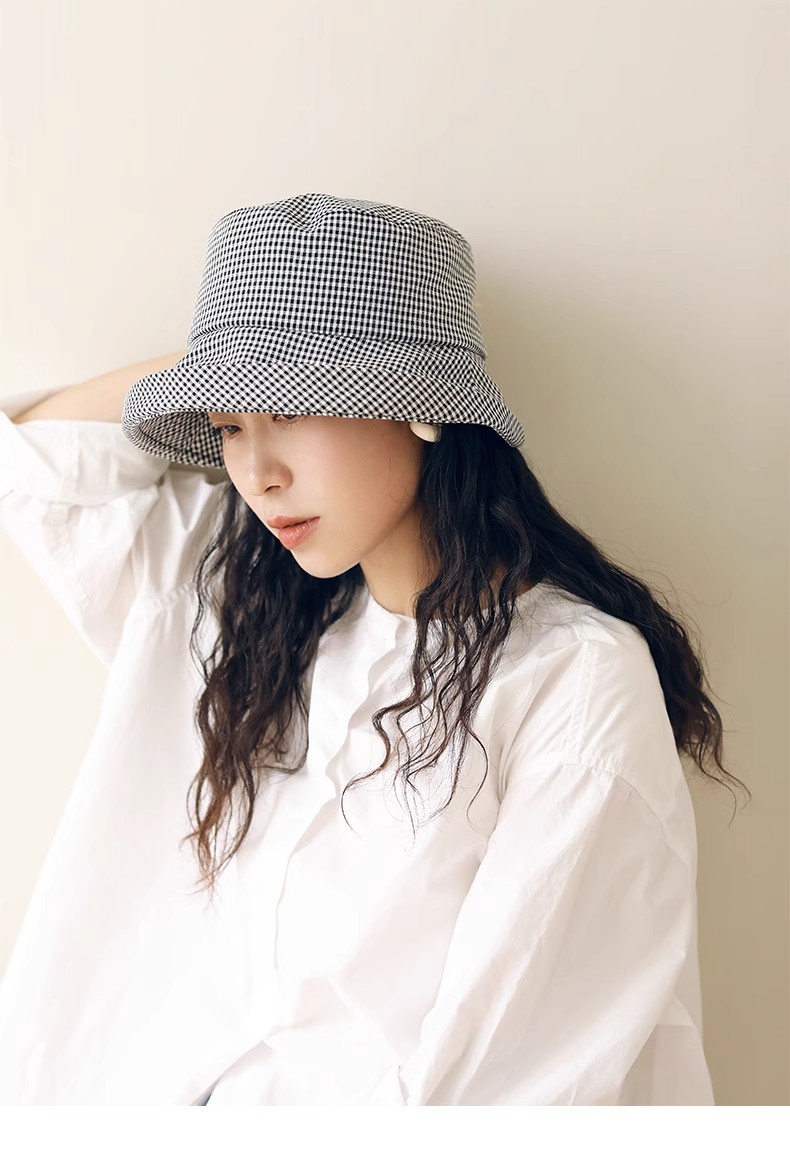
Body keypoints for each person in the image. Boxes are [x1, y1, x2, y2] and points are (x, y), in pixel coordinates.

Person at [0, 192, 749, 1105]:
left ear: (420, 406)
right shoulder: (239, 604)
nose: (257, 473)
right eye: (229, 427)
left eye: (290, 409)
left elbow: (511, 1076)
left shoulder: (573, 678)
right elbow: (40, 467)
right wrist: (226, 352)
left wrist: (394, 356)